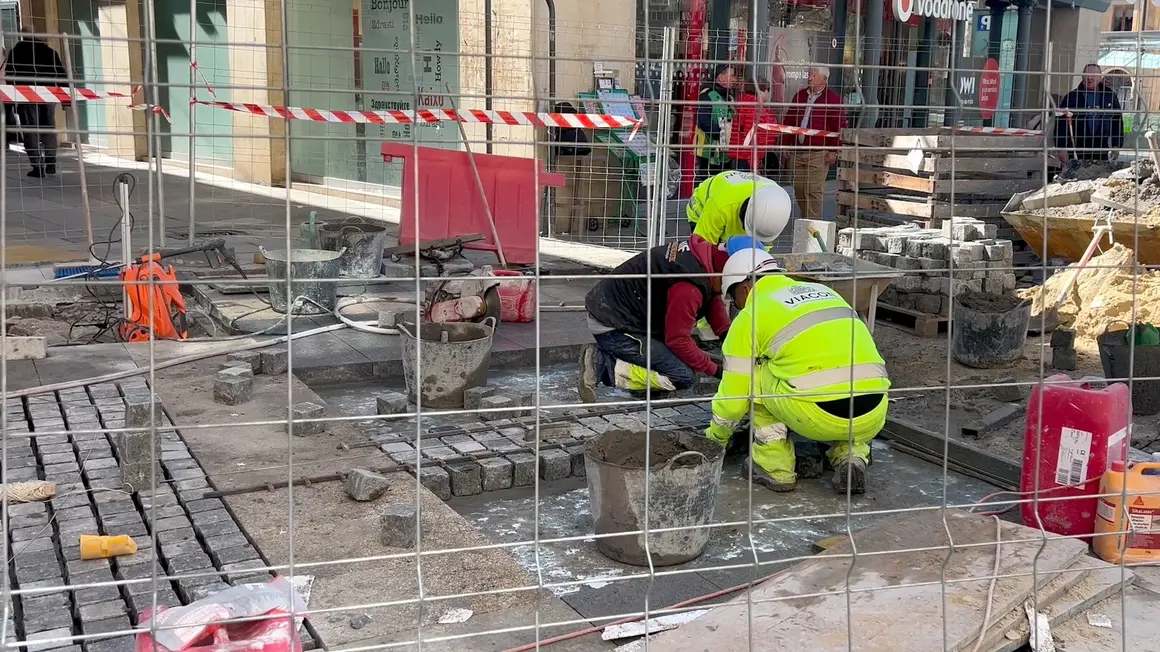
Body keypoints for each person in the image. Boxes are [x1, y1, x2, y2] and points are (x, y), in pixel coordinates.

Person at [704, 248, 891, 494]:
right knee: (847, 376)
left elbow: (734, 398)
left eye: (735, 298)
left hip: (819, 414)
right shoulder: (826, 292)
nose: (737, 306)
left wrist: (715, 438)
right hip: (874, 410)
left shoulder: (751, 314)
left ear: (745, 288)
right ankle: (851, 456)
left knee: (756, 375)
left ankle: (774, 467)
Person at [577, 237, 732, 402]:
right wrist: (715, 370)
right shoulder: (687, 288)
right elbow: (677, 340)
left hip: (619, 312)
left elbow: (712, 298)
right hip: (612, 325)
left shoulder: (705, 258)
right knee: (683, 376)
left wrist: (727, 336)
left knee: (691, 359)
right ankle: (602, 364)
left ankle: (643, 376)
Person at [781, 66, 846, 219]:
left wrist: (834, 150)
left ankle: (812, 226)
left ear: (824, 79)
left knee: (814, 190)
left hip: (819, 152)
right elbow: (789, 120)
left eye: (814, 75)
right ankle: (806, 220)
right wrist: (786, 143)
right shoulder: (800, 96)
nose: (810, 78)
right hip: (798, 151)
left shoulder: (833, 100)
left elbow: (838, 126)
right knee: (799, 189)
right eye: (810, 74)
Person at [4, 26, 67, 178]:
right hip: (48, 95)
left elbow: (10, 75)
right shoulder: (50, 52)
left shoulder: (16, 52)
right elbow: (61, 75)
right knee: (48, 127)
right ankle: (50, 160)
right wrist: (65, 98)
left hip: (26, 96)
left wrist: (13, 99)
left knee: (31, 130)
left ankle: (37, 167)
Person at [685, 170, 794, 247]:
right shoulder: (721, 205)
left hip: (732, 201)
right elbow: (701, 245)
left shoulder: (776, 204)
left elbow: (763, 246)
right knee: (715, 255)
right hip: (703, 207)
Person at [1054, 64, 1123, 169]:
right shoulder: (1072, 97)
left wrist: (1116, 145)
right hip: (1077, 147)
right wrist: (1061, 147)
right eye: (1086, 75)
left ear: (1100, 77)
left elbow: (1117, 122)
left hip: (1101, 147)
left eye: (1093, 75)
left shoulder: (1110, 96)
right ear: (1082, 77)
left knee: (1099, 177)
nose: (1089, 78)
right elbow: (1061, 124)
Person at [727, 79, 781, 177]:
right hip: (749, 157)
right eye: (768, 90)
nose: (769, 93)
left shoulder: (743, 104)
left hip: (739, 154)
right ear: (761, 91)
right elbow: (757, 136)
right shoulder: (757, 109)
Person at [693, 63, 737, 184]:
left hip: (726, 152)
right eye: (731, 76)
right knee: (708, 184)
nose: (734, 79)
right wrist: (721, 134)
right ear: (720, 77)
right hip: (708, 151)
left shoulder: (730, 96)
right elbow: (703, 121)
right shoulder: (707, 94)